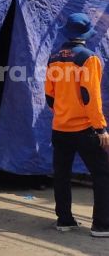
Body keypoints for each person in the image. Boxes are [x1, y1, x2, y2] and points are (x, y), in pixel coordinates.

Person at [45, 12, 109, 237]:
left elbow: (49, 95)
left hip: (59, 128)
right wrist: (100, 127)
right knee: (103, 175)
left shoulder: (54, 58)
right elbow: (91, 97)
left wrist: (63, 114)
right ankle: (102, 225)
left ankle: (64, 220)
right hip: (85, 130)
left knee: (61, 175)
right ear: (86, 34)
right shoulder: (88, 58)